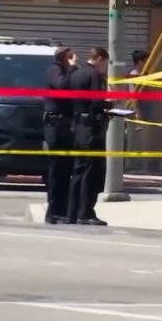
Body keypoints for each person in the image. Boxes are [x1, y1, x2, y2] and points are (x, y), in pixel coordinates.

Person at [67, 47, 110, 226]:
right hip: (92, 129)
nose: (105, 67)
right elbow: (97, 101)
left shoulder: (76, 74)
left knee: (78, 171)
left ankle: (73, 213)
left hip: (77, 127)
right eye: (105, 63)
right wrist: (112, 104)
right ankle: (86, 212)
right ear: (99, 59)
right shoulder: (94, 76)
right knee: (91, 173)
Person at [43, 47, 77, 224]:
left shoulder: (65, 71)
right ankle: (53, 211)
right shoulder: (54, 70)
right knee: (57, 170)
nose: (73, 60)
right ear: (64, 57)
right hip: (56, 126)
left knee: (66, 170)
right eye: (70, 57)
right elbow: (62, 86)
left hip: (66, 125)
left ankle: (63, 209)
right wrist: (71, 68)